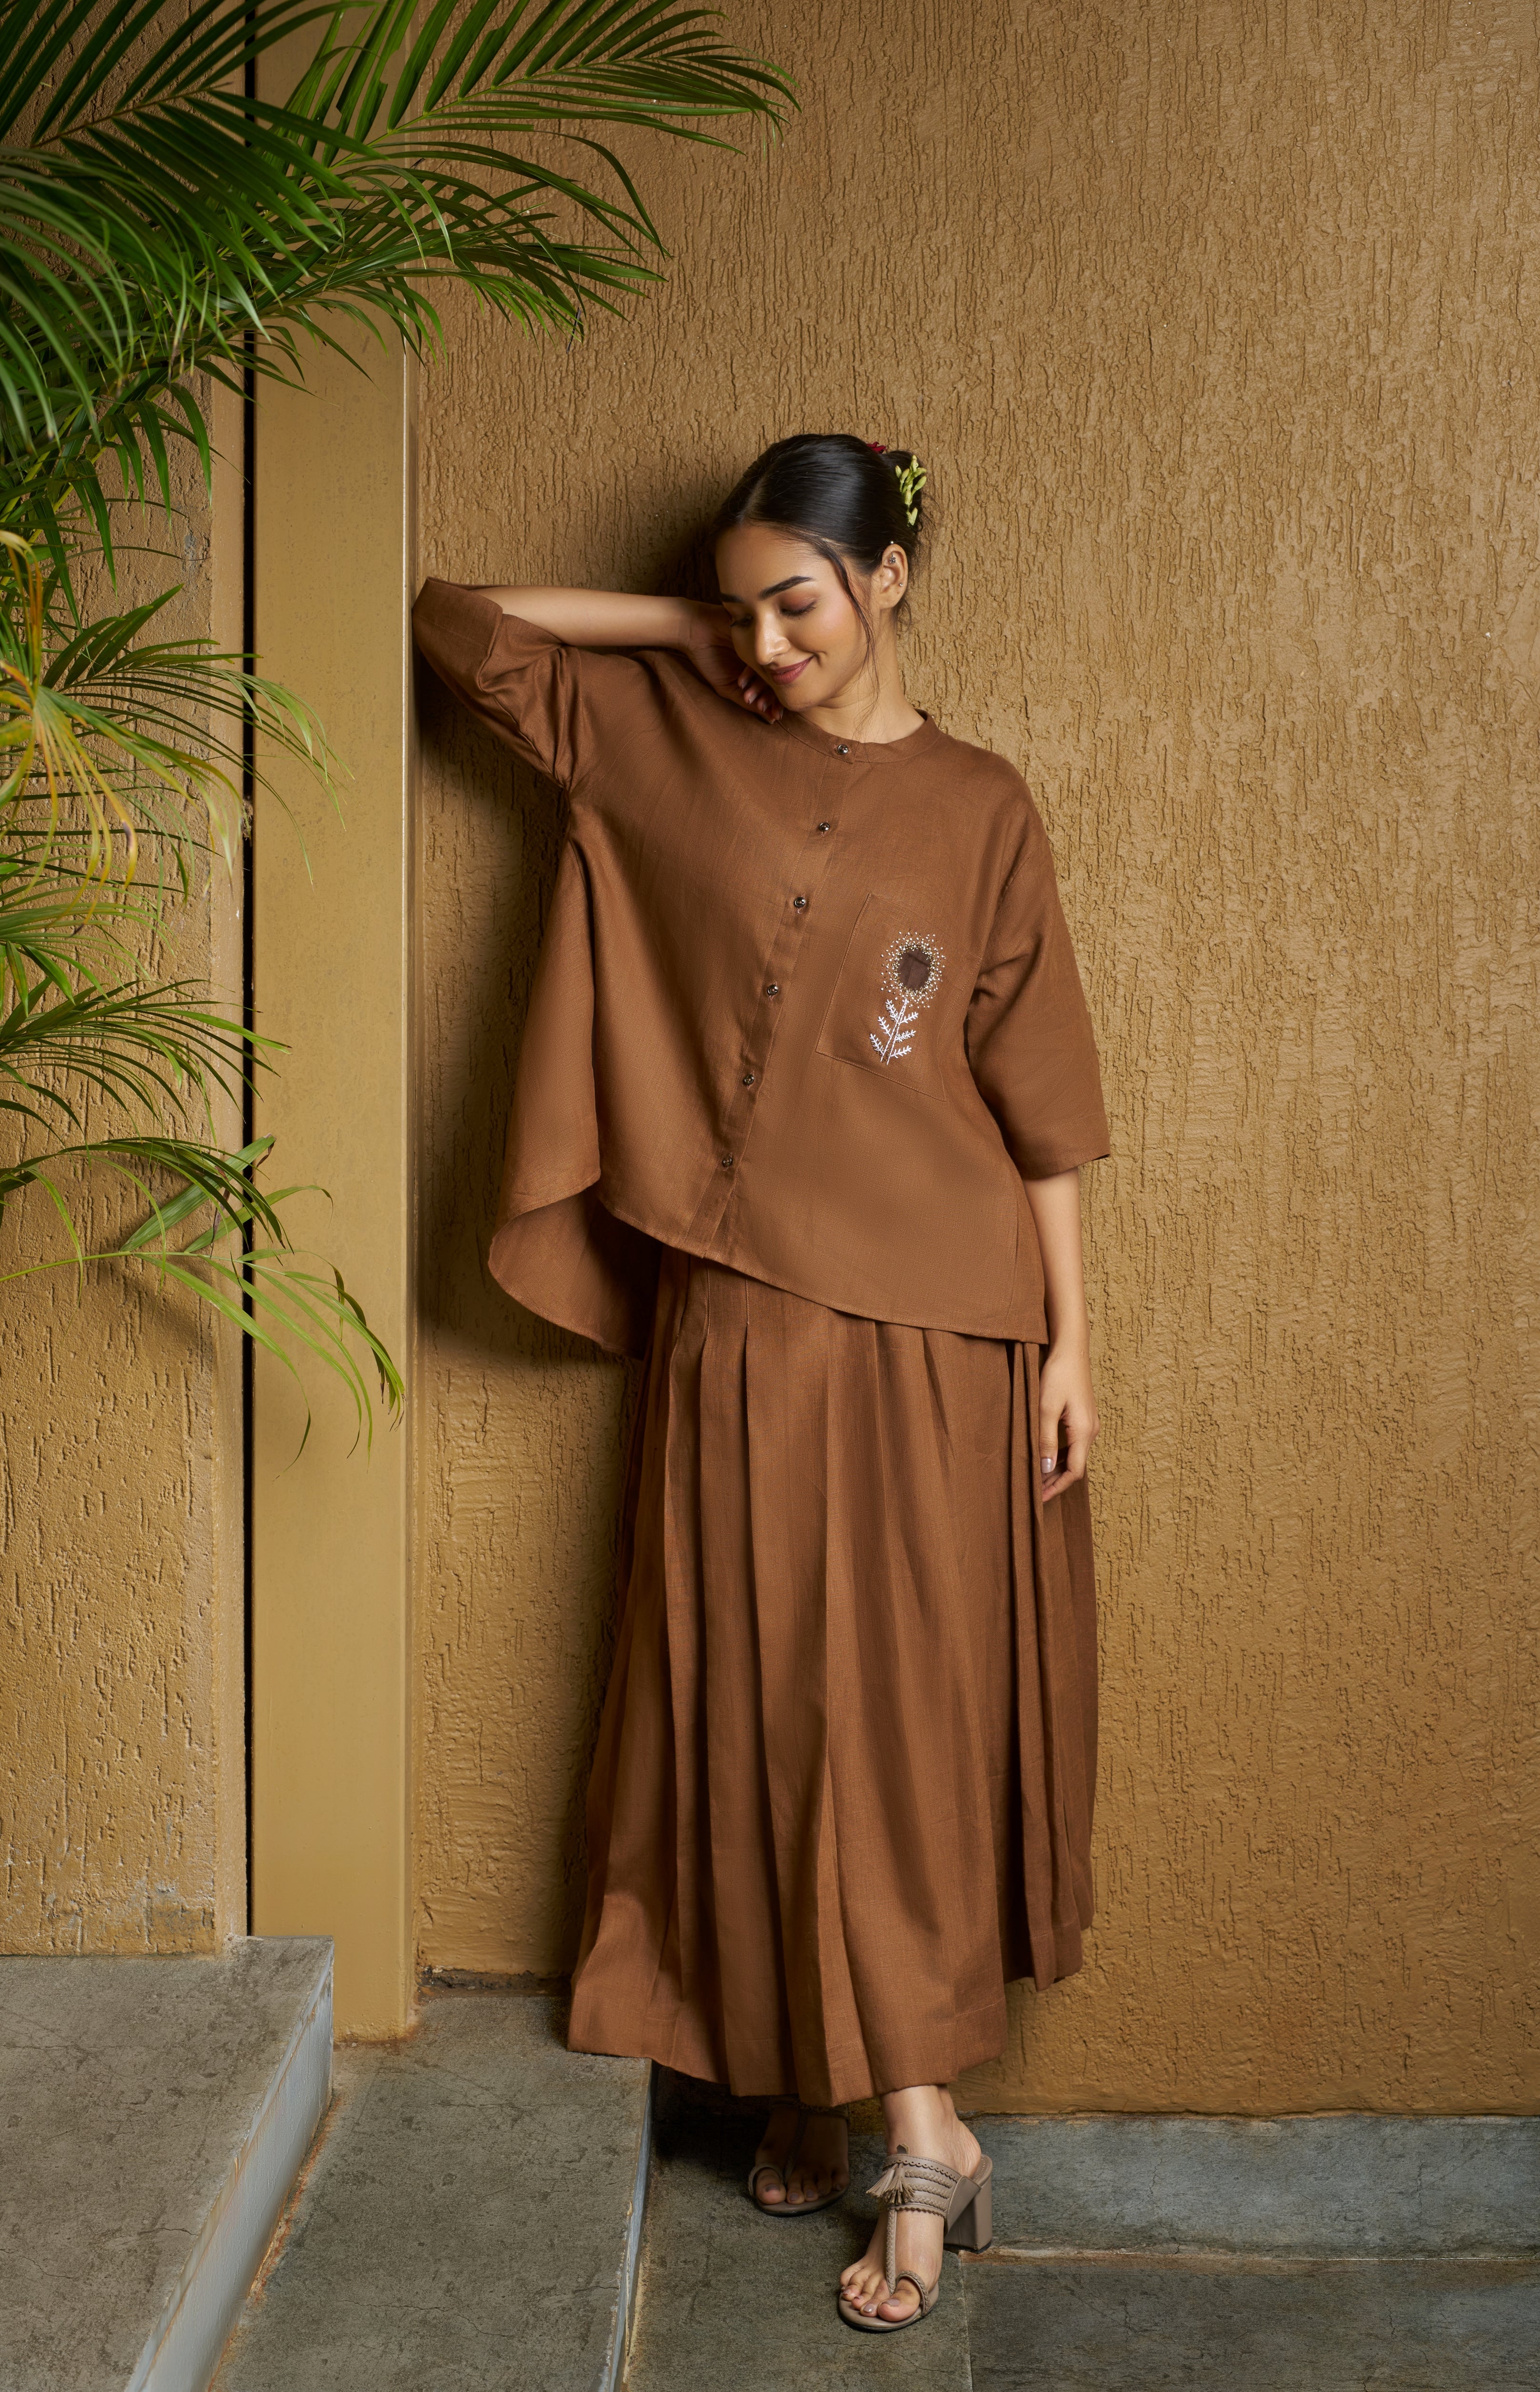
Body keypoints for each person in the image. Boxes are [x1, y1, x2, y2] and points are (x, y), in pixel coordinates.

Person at [411, 432, 1110, 2334]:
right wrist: (694, 626)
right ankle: (798, 2066)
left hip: (937, 1329)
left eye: (803, 598)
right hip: (736, 1310)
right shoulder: (673, 728)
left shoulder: (980, 804)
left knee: (884, 1706)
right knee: (741, 1683)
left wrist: (1078, 1342)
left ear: (892, 575)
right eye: (747, 608)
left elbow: (1039, 1098)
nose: (774, 642)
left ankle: (920, 2129)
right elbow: (456, 625)